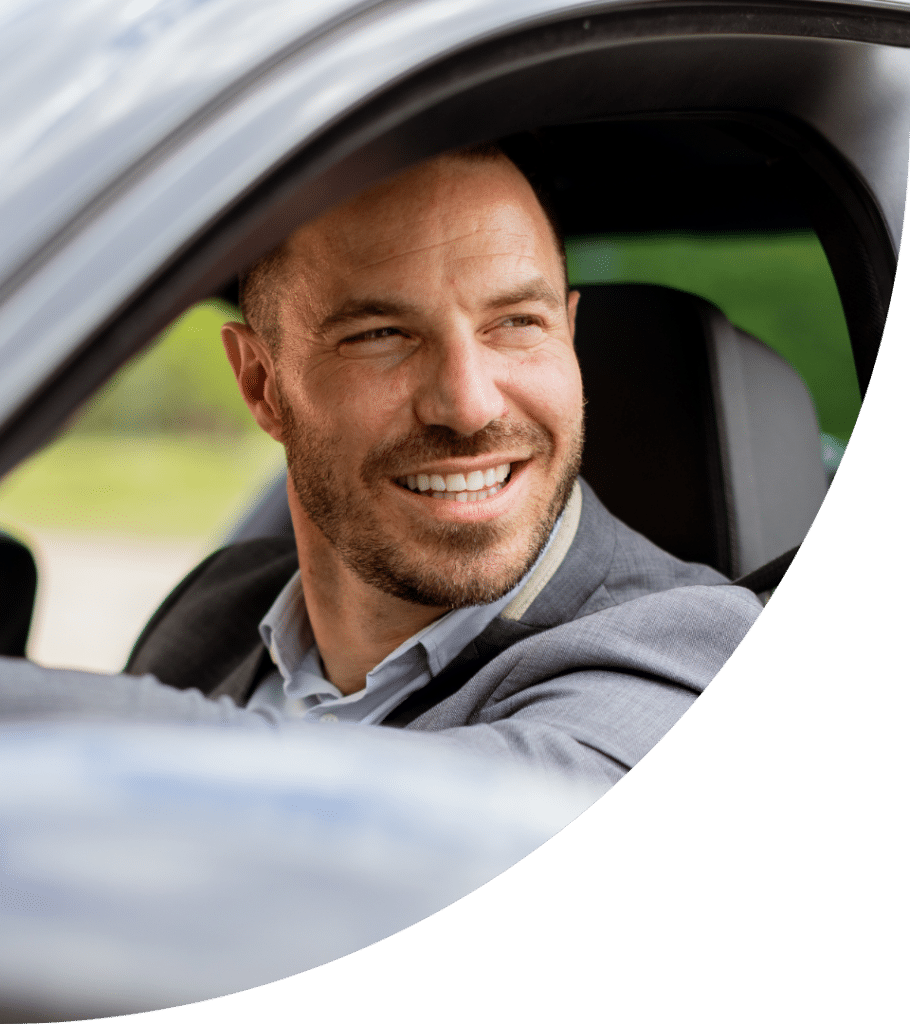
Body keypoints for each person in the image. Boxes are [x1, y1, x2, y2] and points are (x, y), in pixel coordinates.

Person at [122, 145, 762, 786]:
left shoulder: (691, 660)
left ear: (568, 336)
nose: (468, 406)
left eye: (516, 322)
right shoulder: (214, 607)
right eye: (380, 334)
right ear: (263, 385)